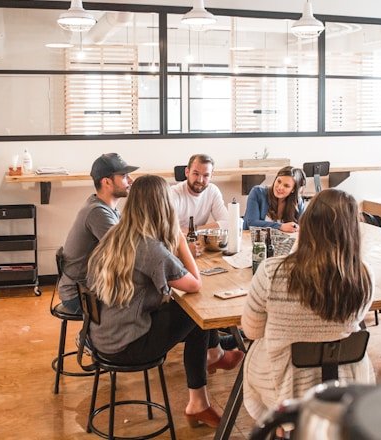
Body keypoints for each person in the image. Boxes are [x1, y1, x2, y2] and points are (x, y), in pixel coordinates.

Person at [86, 175, 243, 429]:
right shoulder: (150, 248)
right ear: (164, 207)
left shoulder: (116, 235)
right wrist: (180, 239)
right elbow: (195, 283)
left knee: (188, 313)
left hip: (103, 335)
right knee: (195, 312)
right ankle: (206, 379)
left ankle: (211, 365)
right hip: (127, 344)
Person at [242, 189, 376, 421]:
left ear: (306, 224)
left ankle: (283, 424)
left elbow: (252, 331)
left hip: (284, 382)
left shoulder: (272, 271)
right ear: (353, 230)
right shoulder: (364, 276)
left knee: (257, 350)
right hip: (345, 379)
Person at [55, 153, 137, 314]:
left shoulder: (105, 208)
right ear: (106, 182)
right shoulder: (98, 212)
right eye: (124, 176)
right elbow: (127, 250)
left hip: (90, 289)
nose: (131, 180)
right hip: (81, 296)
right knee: (148, 303)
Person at [169, 154, 229, 232]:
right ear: (187, 172)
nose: (200, 180)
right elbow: (167, 228)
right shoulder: (173, 193)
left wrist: (194, 230)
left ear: (211, 176)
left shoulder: (212, 191)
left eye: (206, 175)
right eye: (196, 174)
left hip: (199, 237)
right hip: (177, 239)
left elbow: (227, 223)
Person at [243, 166, 306, 232]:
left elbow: (303, 226)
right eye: (279, 181)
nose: (280, 187)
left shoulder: (297, 202)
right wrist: (280, 226)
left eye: (286, 186)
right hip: (250, 237)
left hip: (285, 238)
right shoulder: (257, 192)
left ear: (293, 189)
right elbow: (251, 223)